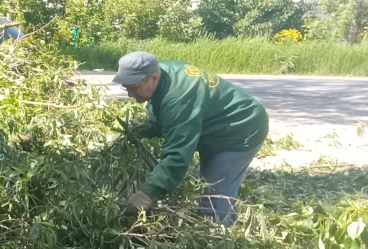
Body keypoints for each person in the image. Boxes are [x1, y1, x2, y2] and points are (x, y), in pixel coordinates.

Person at [113, 50, 268, 227]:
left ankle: (219, 240)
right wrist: (145, 128)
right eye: (126, 88)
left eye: (134, 88)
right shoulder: (161, 71)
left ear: (154, 78)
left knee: (214, 196)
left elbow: (177, 156)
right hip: (215, 128)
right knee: (209, 185)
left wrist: (148, 193)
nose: (130, 95)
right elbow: (161, 110)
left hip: (241, 129)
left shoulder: (179, 98)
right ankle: (221, 226)